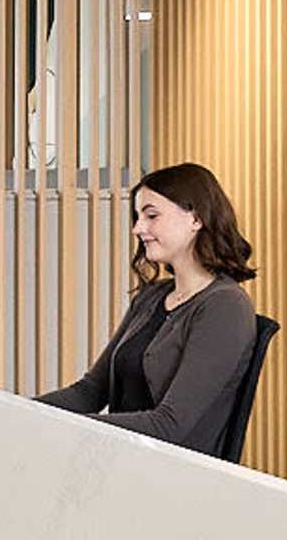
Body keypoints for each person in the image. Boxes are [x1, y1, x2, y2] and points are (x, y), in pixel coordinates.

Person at [38, 161, 264, 457]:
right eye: (137, 217)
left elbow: (170, 425)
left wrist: (66, 430)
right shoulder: (152, 297)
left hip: (168, 476)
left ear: (196, 218)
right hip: (121, 459)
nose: (137, 228)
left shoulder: (224, 306)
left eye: (151, 216)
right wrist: (18, 412)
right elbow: (90, 392)